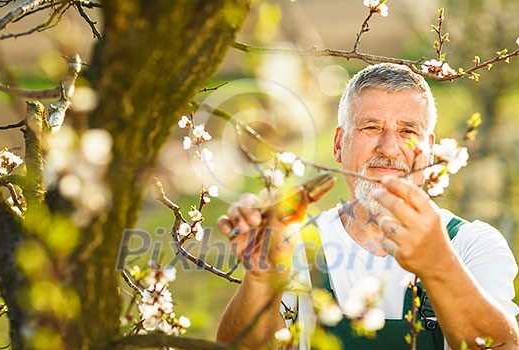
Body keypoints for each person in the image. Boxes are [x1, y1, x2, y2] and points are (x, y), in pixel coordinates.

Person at [216, 63, 519, 349]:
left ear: (429, 151)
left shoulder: (472, 244)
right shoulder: (298, 244)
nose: (388, 148)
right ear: (338, 144)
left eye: (407, 132)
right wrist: (260, 277)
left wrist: (438, 263)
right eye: (371, 128)